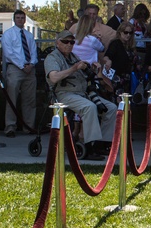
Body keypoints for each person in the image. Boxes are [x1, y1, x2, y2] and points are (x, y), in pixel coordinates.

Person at [45, 29, 117, 159]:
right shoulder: (52, 58)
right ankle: (89, 146)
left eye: (72, 42)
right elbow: (54, 78)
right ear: (57, 43)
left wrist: (92, 69)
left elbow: (84, 74)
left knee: (111, 108)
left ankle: (101, 144)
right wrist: (73, 68)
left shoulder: (73, 56)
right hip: (64, 93)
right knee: (89, 107)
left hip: (82, 92)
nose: (69, 44)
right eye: (65, 41)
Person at [1, 9, 38, 138]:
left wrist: (31, 64)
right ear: (14, 19)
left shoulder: (29, 35)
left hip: (30, 69)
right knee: (12, 99)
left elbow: (33, 51)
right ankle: (10, 127)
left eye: (22, 18)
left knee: (30, 100)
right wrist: (22, 66)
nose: (20, 20)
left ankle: (29, 127)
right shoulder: (8, 34)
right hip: (15, 69)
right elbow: (9, 54)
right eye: (18, 18)